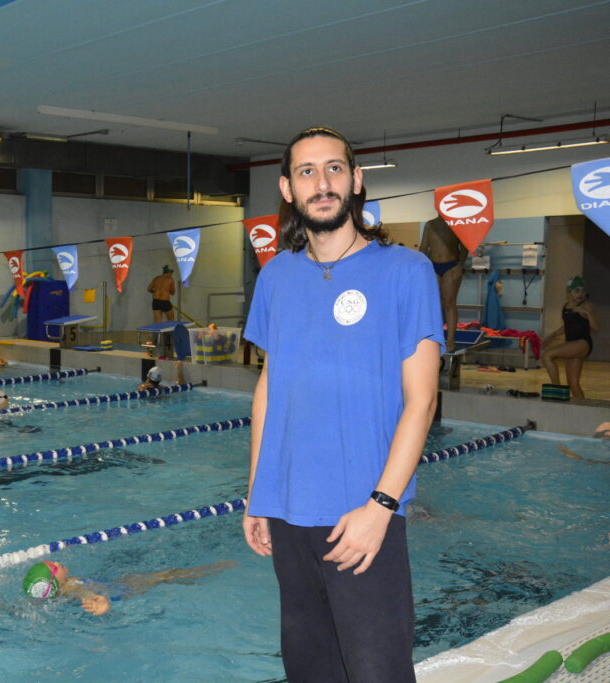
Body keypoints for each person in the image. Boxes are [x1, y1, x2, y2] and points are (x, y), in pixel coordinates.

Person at [242, 127, 443, 682]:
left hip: (362, 514)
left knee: (377, 672)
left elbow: (421, 401)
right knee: (309, 670)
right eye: (307, 171)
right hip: (286, 511)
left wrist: (381, 507)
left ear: (355, 181)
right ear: (287, 189)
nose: (322, 182)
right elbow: (269, 385)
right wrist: (257, 492)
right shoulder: (277, 275)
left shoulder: (406, 271)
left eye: (334, 168)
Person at [22, 559, 235, 615]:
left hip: (113, 586)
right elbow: (84, 593)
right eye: (53, 566)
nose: (58, 563)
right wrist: (100, 601)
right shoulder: (70, 587)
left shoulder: (63, 587)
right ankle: (213, 570)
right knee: (166, 576)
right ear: (53, 581)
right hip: (121, 591)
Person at [541, 276, 598, 399]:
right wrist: (552, 336)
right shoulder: (566, 307)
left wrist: (587, 313)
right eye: (576, 290)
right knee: (573, 384)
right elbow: (566, 326)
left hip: (582, 343)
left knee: (547, 355)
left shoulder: (586, 306)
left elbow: (596, 327)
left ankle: (556, 388)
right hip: (572, 344)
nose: (580, 294)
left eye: (583, 291)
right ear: (569, 292)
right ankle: (582, 409)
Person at [419, 215, 469, 350]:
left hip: (451, 266)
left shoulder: (456, 223)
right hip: (433, 266)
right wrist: (422, 267)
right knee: (435, 304)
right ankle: (436, 337)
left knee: (449, 303)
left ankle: (451, 340)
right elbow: (424, 247)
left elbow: (464, 246)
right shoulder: (430, 224)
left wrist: (460, 266)